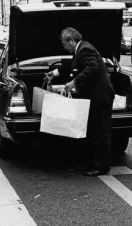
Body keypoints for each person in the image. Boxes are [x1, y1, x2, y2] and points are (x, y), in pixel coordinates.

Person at [46, 27, 115, 176]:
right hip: (95, 96)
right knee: (91, 130)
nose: (64, 47)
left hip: (100, 96)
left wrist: (74, 83)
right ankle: (92, 163)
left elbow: (92, 68)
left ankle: (102, 167)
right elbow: (73, 66)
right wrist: (55, 73)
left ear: (71, 40)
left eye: (65, 44)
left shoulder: (85, 50)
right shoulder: (81, 50)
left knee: (100, 132)